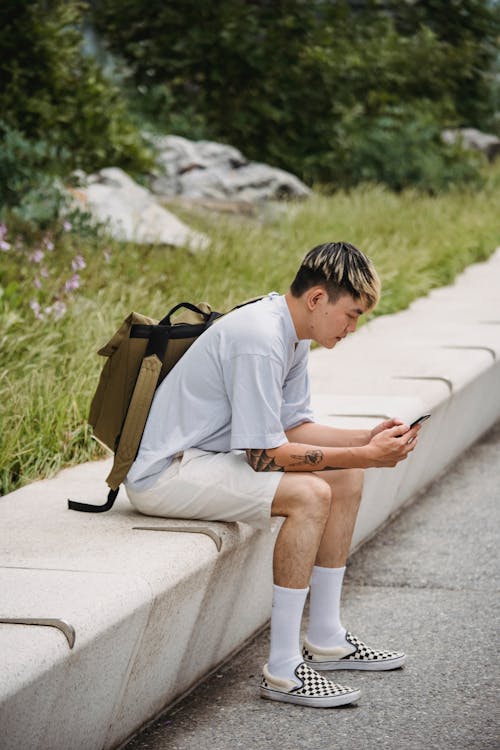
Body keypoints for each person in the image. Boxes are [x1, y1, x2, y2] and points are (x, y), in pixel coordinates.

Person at [125, 241, 421, 708]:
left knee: (345, 478)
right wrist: (368, 454)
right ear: (318, 298)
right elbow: (266, 455)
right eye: (352, 314)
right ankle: (283, 670)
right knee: (310, 494)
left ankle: (325, 636)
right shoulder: (260, 339)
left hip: (209, 459)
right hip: (168, 473)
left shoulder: (291, 332)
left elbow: (293, 426)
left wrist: (366, 440)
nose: (353, 327)